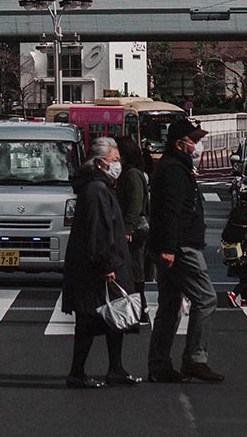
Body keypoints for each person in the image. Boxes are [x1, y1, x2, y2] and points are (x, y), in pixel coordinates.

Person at [147, 118, 223, 385]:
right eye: (194, 140)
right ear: (180, 143)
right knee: (206, 298)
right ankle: (195, 359)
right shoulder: (175, 170)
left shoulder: (172, 167)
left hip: (171, 244)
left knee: (170, 305)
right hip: (181, 246)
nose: (198, 146)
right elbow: (172, 211)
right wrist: (169, 247)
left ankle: (159, 364)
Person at [60, 137, 138, 389]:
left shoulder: (99, 187)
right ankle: (79, 373)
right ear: (101, 162)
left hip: (98, 264)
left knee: (112, 317)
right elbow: (98, 231)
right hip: (97, 267)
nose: (118, 164)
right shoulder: (96, 190)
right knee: (92, 319)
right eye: (115, 160)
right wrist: (106, 265)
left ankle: (114, 369)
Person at [116, 135, 151, 320]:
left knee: (135, 269)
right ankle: (139, 308)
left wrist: (128, 229)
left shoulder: (132, 174)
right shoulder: (130, 173)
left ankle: (141, 309)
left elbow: (135, 205)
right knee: (133, 268)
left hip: (135, 229)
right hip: (132, 227)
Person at [219, 189, 247, 306]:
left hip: (234, 256)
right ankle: (233, 294)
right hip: (246, 258)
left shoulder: (231, 228)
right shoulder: (246, 230)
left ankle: (245, 298)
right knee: (245, 279)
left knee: (243, 278)